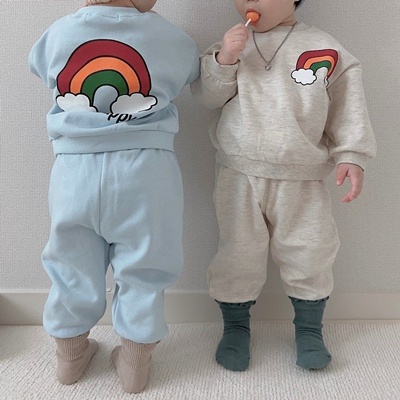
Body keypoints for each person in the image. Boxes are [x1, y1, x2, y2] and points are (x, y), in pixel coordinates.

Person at [191, 0, 376, 372]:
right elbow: (207, 98)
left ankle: (309, 329)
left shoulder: (326, 49)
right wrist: (225, 59)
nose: (249, 2)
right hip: (239, 174)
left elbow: (348, 107)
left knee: (310, 251)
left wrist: (352, 154)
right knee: (237, 253)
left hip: (302, 178)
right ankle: (235, 327)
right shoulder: (230, 44)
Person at [29, 0, 199, 393]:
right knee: (146, 263)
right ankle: (135, 364)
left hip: (75, 170)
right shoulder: (167, 35)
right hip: (147, 170)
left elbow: (39, 66)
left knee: (70, 262)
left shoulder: (59, 32)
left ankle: (70, 357)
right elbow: (192, 70)